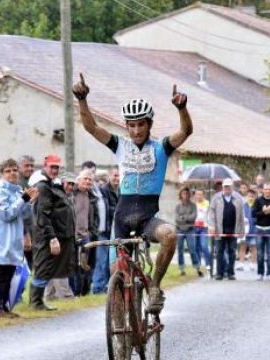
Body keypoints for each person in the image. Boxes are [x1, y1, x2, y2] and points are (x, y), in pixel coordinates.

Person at [73, 73, 192, 314]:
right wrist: (82, 99)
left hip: (148, 218)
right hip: (122, 218)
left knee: (169, 234)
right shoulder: (120, 145)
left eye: (141, 124)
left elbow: (186, 131)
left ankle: (156, 286)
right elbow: (90, 126)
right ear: (127, 126)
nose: (136, 130)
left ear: (149, 125)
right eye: (132, 125)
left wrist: (182, 108)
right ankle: (120, 333)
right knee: (117, 282)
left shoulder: (162, 147)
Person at [0, 159, 36, 317]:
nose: (12, 173)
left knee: (9, 273)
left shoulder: (18, 190)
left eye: (14, 170)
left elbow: (25, 214)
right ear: (2, 173)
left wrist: (31, 202)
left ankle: (4, 306)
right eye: (8, 171)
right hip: (0, 239)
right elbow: (6, 214)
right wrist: (24, 199)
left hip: (13, 239)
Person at [31, 154, 75, 311]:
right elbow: (43, 214)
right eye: (52, 167)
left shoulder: (52, 185)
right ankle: (36, 302)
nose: (55, 170)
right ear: (45, 166)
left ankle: (38, 301)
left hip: (58, 235)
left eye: (57, 167)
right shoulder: (43, 186)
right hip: (46, 237)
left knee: (48, 268)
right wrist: (52, 238)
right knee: (43, 267)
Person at [44, 172, 76, 302]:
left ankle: (48, 296)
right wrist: (53, 237)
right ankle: (66, 295)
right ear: (62, 183)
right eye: (69, 183)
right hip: (58, 237)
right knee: (60, 267)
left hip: (65, 236)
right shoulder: (55, 195)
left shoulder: (66, 196)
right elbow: (47, 216)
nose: (71, 187)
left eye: (73, 184)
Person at [81, 161, 110, 295]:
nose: (90, 175)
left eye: (93, 172)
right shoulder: (85, 190)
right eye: (88, 172)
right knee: (96, 262)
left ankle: (99, 286)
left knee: (100, 262)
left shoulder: (97, 189)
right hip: (93, 232)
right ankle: (97, 288)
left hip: (102, 230)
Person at [209, 179, 244, 280]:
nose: (227, 189)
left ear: (232, 187)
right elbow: (211, 213)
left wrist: (241, 230)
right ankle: (219, 273)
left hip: (233, 229)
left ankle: (231, 273)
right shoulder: (216, 198)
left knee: (232, 251)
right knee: (219, 251)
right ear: (223, 187)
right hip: (220, 230)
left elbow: (241, 215)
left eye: (228, 187)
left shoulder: (237, 197)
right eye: (225, 187)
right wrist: (211, 225)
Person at [72, 169, 97, 296]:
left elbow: (92, 217)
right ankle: (74, 292)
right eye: (85, 179)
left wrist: (91, 232)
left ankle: (82, 292)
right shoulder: (72, 193)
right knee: (73, 266)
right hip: (72, 235)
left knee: (84, 266)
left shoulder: (91, 196)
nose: (87, 181)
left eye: (90, 179)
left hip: (86, 236)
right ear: (78, 180)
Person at [252, 183, 270, 281]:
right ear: (262, 190)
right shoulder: (258, 200)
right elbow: (253, 214)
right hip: (259, 229)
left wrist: (269, 212)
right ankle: (260, 273)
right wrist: (263, 212)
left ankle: (269, 273)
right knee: (260, 253)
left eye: (269, 189)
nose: (267, 191)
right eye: (266, 189)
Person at [175, 187, 201, 277]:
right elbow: (177, 219)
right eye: (183, 194)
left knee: (192, 249)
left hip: (190, 230)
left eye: (186, 194)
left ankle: (197, 267)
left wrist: (183, 217)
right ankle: (181, 268)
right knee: (180, 250)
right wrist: (187, 217)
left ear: (189, 195)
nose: (185, 195)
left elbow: (193, 217)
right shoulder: (178, 206)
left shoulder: (193, 205)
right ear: (181, 195)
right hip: (179, 229)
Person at [17, 155, 36, 269]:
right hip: (22, 233)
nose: (29, 168)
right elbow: (19, 212)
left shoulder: (32, 183)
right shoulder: (18, 185)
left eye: (32, 166)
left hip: (34, 231)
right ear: (19, 167)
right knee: (21, 269)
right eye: (26, 166)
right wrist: (26, 234)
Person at [237, 189, 257, 272]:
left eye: (252, 196)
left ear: (255, 197)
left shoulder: (257, 206)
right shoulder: (243, 205)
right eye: (249, 196)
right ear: (246, 196)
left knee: (253, 247)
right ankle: (241, 264)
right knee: (242, 247)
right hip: (244, 230)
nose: (250, 198)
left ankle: (252, 264)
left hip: (254, 230)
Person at [193, 190, 212, 274]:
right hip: (194, 227)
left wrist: (208, 224)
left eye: (200, 194)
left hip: (203, 228)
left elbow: (210, 215)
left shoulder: (207, 203)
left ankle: (208, 264)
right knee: (196, 247)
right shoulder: (193, 204)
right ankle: (198, 266)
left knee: (204, 246)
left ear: (203, 195)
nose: (198, 196)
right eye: (197, 194)